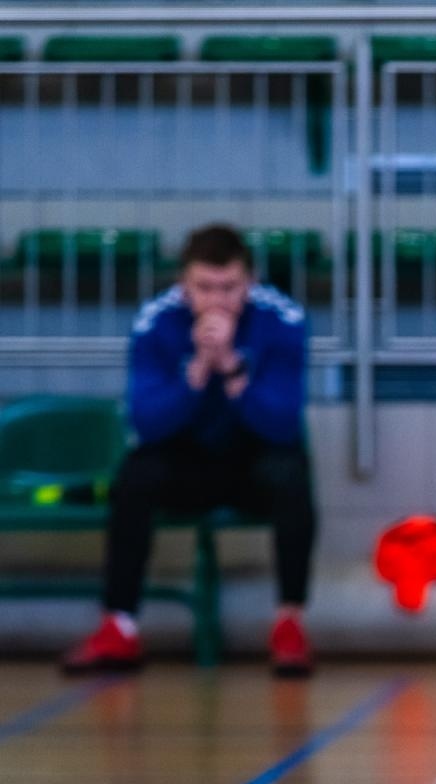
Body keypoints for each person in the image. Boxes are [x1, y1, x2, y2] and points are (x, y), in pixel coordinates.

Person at [61, 224, 316, 677]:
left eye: (229, 288)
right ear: (184, 286)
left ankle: (289, 625)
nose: (216, 300)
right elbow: (146, 423)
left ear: (250, 283)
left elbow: (281, 423)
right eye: (204, 288)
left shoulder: (284, 320)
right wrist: (198, 370)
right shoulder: (155, 322)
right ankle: (119, 627)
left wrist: (233, 369)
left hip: (253, 456)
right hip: (187, 457)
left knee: (293, 476)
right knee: (135, 478)